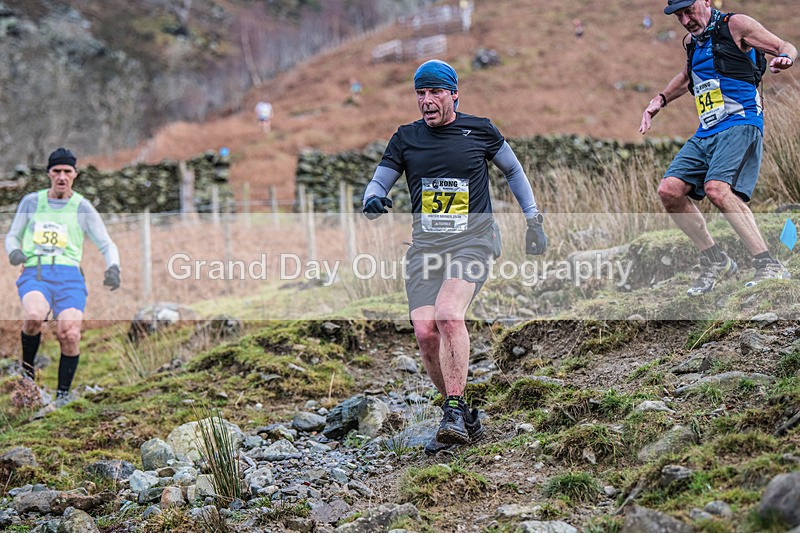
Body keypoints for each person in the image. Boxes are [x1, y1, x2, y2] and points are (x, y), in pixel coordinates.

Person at [361, 60, 547, 454]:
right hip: (426, 249)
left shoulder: (479, 130)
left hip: (473, 242)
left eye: (434, 93)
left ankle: (453, 409)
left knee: (448, 314)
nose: (426, 101)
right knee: (425, 332)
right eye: (420, 93)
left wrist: (533, 220)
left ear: (453, 94)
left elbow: (513, 172)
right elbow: (380, 179)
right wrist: (373, 198)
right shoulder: (406, 138)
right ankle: (463, 417)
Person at [639, 0, 796, 295]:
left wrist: (785, 58)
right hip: (707, 130)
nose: (686, 21)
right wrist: (659, 100)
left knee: (716, 189)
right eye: (679, 16)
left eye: (689, 11)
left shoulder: (735, 25)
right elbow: (688, 77)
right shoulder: (691, 41)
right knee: (669, 191)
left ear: (706, 2)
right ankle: (716, 260)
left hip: (741, 121)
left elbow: (784, 45)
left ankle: (769, 265)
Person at [5, 148, 121, 406]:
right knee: (34, 316)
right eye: (56, 171)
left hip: (69, 277)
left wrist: (113, 267)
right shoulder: (32, 202)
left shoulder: (82, 207)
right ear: (49, 173)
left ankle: (63, 396)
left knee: (69, 332)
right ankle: (28, 372)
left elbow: (106, 244)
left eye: (67, 171)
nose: (61, 176)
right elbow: (12, 234)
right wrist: (14, 251)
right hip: (36, 272)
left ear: (75, 175)